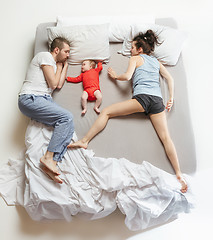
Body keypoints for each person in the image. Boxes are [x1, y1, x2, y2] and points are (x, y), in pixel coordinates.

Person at [68, 30, 188, 193]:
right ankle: (179, 173)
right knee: (166, 138)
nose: (130, 50)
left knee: (107, 112)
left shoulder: (135, 58)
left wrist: (116, 76)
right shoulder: (156, 62)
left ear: (139, 49)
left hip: (143, 99)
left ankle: (85, 141)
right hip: (157, 101)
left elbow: (127, 76)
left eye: (132, 47)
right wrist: (171, 97)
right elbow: (170, 78)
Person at [18, 37, 74, 184]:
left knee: (70, 123)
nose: (68, 55)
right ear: (56, 50)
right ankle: (48, 157)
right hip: (31, 97)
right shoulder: (45, 56)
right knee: (66, 118)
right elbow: (54, 83)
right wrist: (59, 67)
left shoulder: (54, 64)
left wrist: (63, 66)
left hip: (42, 99)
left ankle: (52, 164)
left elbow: (59, 84)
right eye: (66, 51)